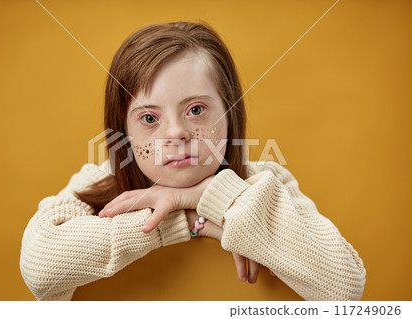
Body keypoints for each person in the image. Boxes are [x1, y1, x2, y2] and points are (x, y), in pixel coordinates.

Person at [19, 21, 366, 301]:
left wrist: (205, 194)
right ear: (123, 132)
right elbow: (39, 268)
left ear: (230, 113)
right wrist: (186, 220)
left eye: (196, 110)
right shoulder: (97, 182)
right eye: (149, 119)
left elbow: (344, 287)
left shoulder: (266, 183)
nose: (176, 134)